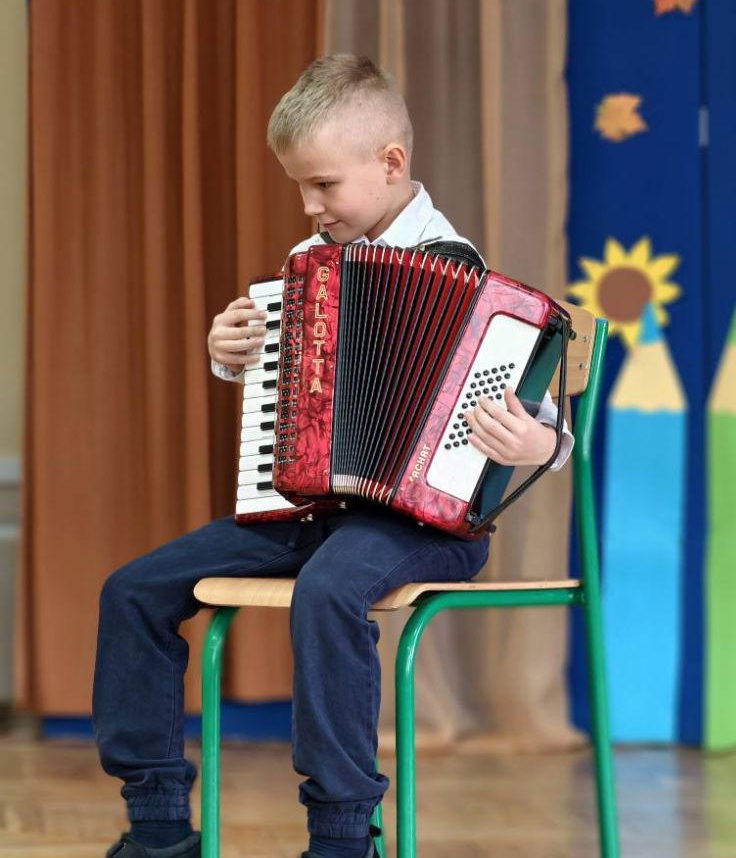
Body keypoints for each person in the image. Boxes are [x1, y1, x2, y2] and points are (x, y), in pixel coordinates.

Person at [94, 54, 573, 858]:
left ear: (390, 163)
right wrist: (231, 352)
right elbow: (286, 388)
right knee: (133, 589)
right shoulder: (308, 269)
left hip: (427, 526)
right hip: (311, 512)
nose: (311, 207)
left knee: (327, 592)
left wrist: (539, 441)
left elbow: (549, 424)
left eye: (323, 185)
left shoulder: (467, 276)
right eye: (300, 188)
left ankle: (344, 837)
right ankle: (158, 825)